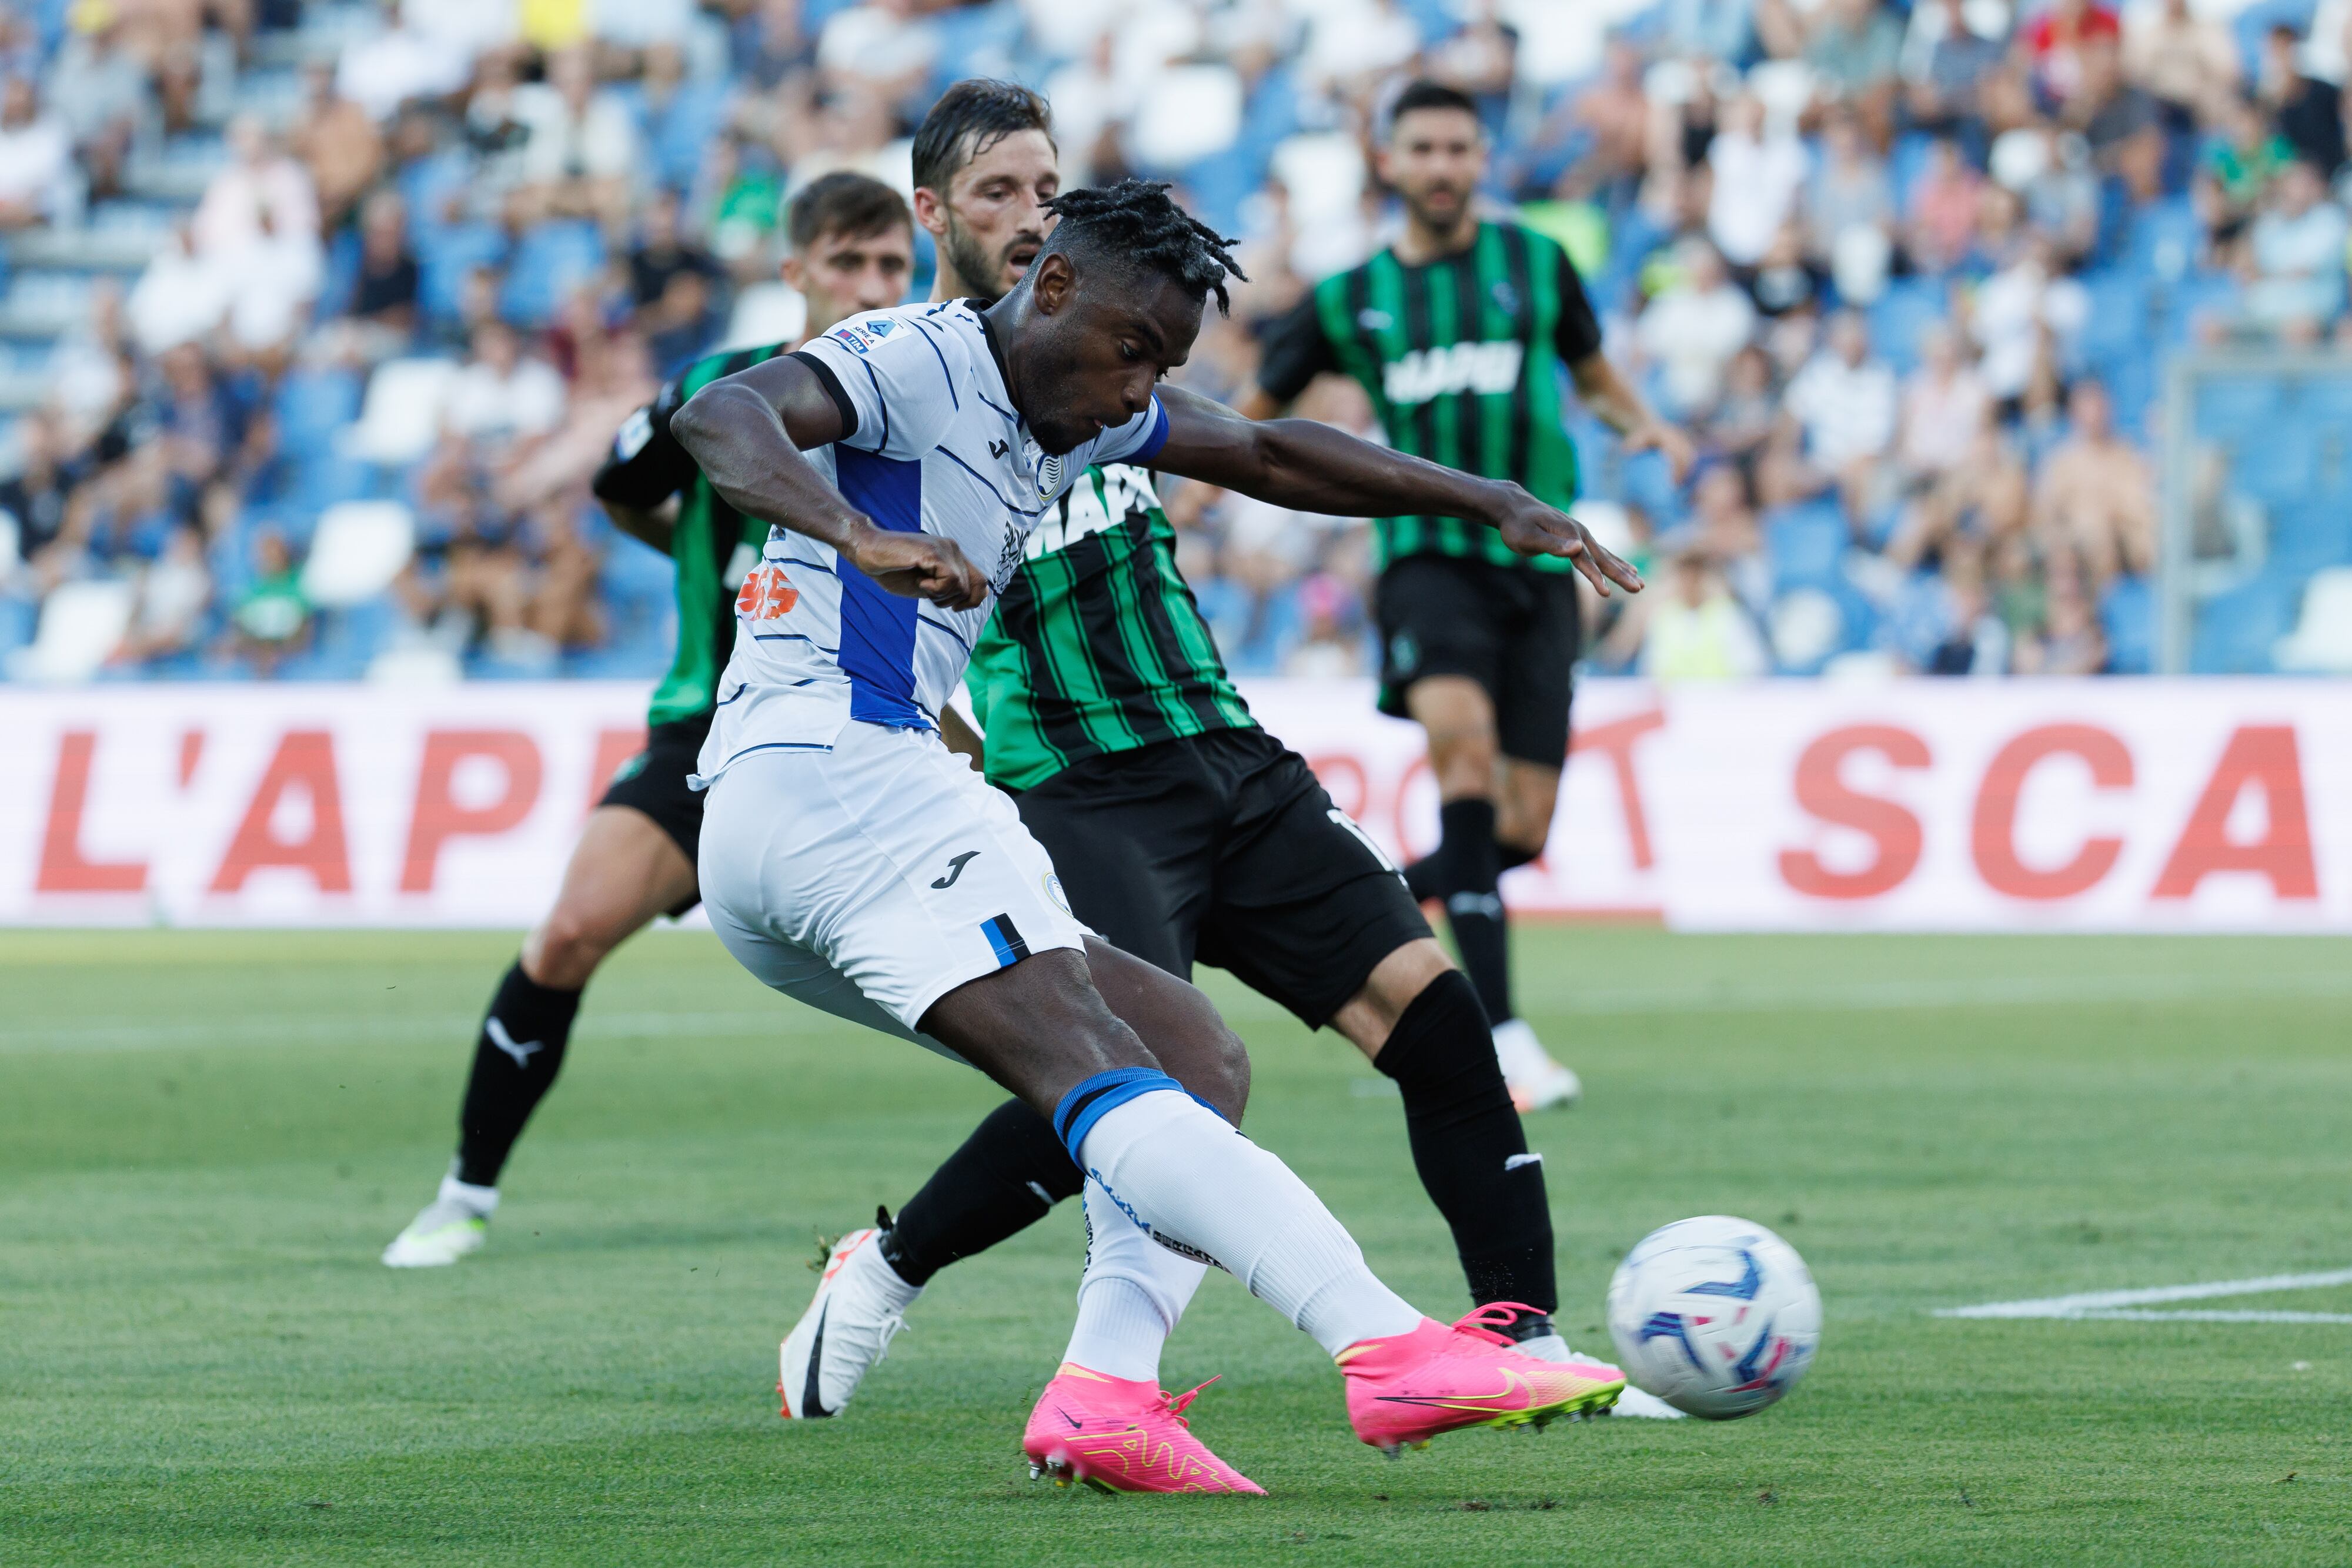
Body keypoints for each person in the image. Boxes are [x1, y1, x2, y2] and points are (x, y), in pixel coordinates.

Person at [754, 83, 1683, 1477]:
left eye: (1046, 186)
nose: (1029, 216)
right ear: (932, 214)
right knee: (1140, 1077)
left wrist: (1487, 496)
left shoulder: (1105, 369)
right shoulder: (897, 376)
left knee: (1434, 1019)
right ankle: (920, 1280)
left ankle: (1517, 1337)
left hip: (1223, 748)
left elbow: (1261, 448)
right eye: (996, 194)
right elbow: (762, 503)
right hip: (1072, 774)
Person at [380, 172, 918, 1269]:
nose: (872, 286)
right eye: (849, 263)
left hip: (875, 734)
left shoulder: (939, 402)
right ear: (797, 274)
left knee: (994, 982)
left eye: (892, 266)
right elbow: (624, 485)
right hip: (709, 732)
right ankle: (465, 1192)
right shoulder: (718, 388)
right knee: (569, 934)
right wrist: (685, 554)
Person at [1242, 80, 1693, 1111]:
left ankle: (1353, 907)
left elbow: (1594, 372)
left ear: (1482, 161)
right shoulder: (1350, 298)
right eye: (1424, 149)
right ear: (1389, 163)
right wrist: (1171, 495)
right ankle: (1501, 1033)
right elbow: (1253, 418)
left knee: (1517, 829)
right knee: (1468, 757)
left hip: (1544, 568)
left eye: (1459, 148)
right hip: (1425, 556)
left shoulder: (1537, 265)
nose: (1443, 166)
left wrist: (1645, 426)